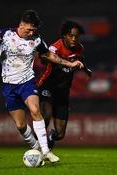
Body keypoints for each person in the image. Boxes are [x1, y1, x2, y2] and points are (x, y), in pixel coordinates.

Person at [0, 10, 84, 163]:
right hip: (9, 85)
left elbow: (50, 55)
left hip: (27, 82)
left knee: (35, 110)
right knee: (21, 125)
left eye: (34, 30)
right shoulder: (5, 34)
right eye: (29, 29)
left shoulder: (36, 40)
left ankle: (47, 151)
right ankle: (37, 148)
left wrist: (70, 63)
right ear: (21, 25)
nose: (31, 32)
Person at [37, 20, 92, 149]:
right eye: (71, 35)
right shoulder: (55, 47)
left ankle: (51, 137)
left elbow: (79, 58)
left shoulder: (80, 48)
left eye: (76, 36)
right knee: (45, 117)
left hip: (63, 92)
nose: (74, 39)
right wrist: (44, 59)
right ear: (64, 35)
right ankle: (37, 147)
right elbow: (45, 57)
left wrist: (86, 69)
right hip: (48, 86)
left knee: (60, 134)